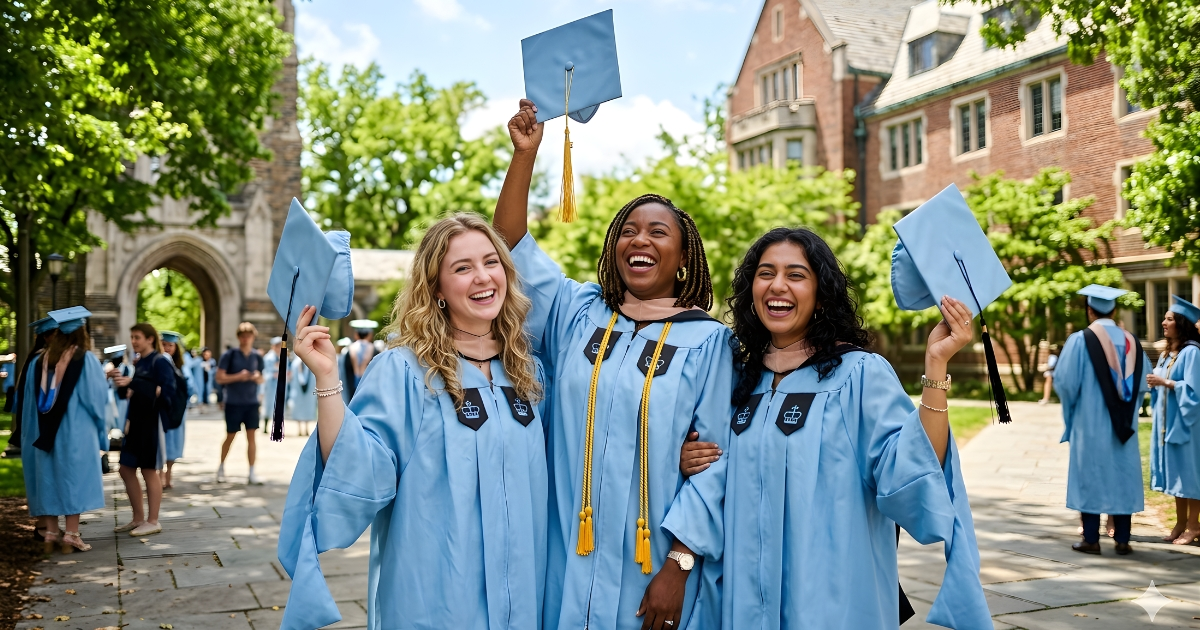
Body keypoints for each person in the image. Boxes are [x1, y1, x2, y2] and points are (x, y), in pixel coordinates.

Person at [677, 227, 989, 629]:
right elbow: (714, 472)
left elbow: (908, 473)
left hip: (829, 597)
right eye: (766, 272)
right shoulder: (738, 379)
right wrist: (689, 458)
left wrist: (936, 365)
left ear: (821, 295)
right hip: (742, 595)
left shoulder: (858, 374)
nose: (777, 285)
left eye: (796, 275)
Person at [496, 100, 732, 630]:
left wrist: (681, 563)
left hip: (651, 562)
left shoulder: (709, 342)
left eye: (657, 232)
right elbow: (508, 248)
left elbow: (718, 464)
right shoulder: (578, 314)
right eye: (628, 230)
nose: (639, 239)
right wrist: (524, 158)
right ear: (613, 247)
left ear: (683, 256)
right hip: (567, 552)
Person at [277, 214, 548, 629]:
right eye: (462, 268)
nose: (482, 277)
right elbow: (359, 469)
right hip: (439, 595)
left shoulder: (528, 372)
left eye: (491, 262)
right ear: (436, 289)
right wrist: (327, 378)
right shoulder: (405, 372)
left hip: (526, 594)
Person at [1053, 285, 1150, 555]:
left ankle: (1091, 538)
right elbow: (1143, 384)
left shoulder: (1080, 340)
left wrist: (1072, 412)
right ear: (1115, 310)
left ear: (1089, 310)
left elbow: (1065, 382)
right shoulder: (1132, 342)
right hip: (1124, 426)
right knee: (1121, 474)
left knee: (1091, 473)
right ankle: (1122, 539)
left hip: (1090, 423)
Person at [18, 307, 108, 553]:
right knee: (73, 477)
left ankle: (50, 533)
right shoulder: (85, 360)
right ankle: (71, 534)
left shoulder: (38, 362)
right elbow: (96, 400)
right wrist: (103, 429)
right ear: (81, 333)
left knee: (47, 477)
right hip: (75, 431)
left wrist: (29, 434)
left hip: (41, 431)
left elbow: (27, 404)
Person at [112, 322, 176, 537]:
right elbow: (138, 390)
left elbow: (167, 393)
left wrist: (135, 384)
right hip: (136, 422)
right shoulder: (139, 362)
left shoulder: (160, 362)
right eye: (132, 337)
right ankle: (138, 518)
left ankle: (153, 520)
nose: (133, 341)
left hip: (151, 422)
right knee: (126, 468)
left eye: (137, 337)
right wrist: (123, 386)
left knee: (149, 469)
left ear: (150, 339)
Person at [1149, 296, 1200, 544]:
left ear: (1181, 323)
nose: (1163, 322)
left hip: (1188, 425)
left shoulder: (1192, 353)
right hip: (1169, 424)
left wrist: (1165, 382)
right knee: (1179, 475)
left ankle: (1194, 525)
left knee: (1191, 474)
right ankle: (1180, 523)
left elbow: (1194, 391)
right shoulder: (1169, 354)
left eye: (1169, 319)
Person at [215, 322, 264, 484]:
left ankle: (251, 472)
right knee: (231, 435)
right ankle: (221, 467)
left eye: (248, 336)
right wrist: (238, 376)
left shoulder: (257, 356)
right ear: (239, 338)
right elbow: (219, 378)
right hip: (234, 402)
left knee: (252, 437)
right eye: (243, 336)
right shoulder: (230, 355)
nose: (245, 339)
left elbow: (262, 378)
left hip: (251, 402)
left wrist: (257, 377)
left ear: (253, 337)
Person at [160, 332, 189, 490]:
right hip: (162, 409)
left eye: (170, 345)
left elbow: (189, 387)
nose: (167, 348)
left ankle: (168, 475)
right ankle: (160, 476)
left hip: (177, 410)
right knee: (161, 442)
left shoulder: (181, 366)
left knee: (174, 444)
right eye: (164, 344)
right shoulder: (158, 362)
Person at [344, 320, 377, 401]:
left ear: (356, 335)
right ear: (370, 335)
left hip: (351, 383)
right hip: (369, 383)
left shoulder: (349, 349)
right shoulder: (374, 349)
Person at [287, 353, 316, 436]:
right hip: (297, 390)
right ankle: (299, 429)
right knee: (298, 408)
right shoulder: (295, 364)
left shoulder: (311, 362)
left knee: (308, 408)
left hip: (309, 391)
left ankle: (306, 428)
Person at [260, 336, 282, 431]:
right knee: (268, 405)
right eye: (277, 346)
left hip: (279, 385)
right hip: (270, 385)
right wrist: (274, 373)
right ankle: (265, 426)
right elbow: (265, 372)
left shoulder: (282, 357)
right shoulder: (268, 358)